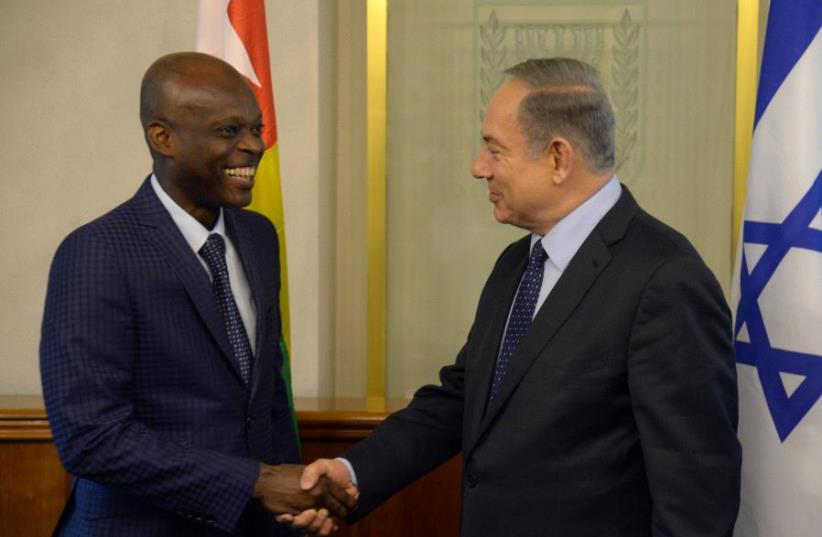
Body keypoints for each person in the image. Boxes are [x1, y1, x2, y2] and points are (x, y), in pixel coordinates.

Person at [291, 58, 741, 536]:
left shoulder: (665, 280)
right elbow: (463, 400)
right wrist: (353, 472)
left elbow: (696, 498)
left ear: (558, 158)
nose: (477, 168)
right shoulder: (517, 263)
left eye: (494, 149)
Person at [39, 52, 354, 537]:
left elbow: (266, 395)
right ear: (161, 137)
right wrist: (259, 482)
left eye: (256, 128)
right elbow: (91, 438)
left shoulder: (258, 236)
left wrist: (297, 503)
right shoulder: (97, 252)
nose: (254, 145)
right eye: (229, 131)